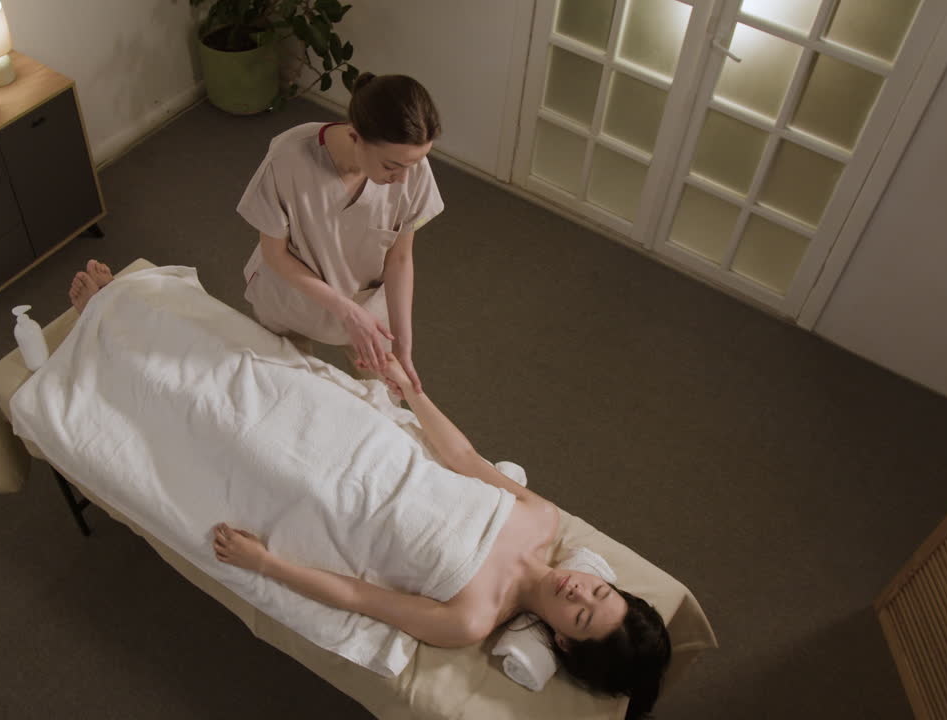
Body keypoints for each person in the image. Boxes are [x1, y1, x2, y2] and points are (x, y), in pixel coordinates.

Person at [213, 355, 672, 719]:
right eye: (598, 590)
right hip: (369, 443)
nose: (577, 590)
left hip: (324, 493)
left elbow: (359, 596)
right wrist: (409, 387)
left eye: (582, 616)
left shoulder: (470, 621)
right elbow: (463, 456)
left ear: (566, 643)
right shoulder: (542, 518)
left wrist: (266, 564)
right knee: (246, 372)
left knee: (217, 416)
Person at [236, 73, 444, 393]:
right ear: (355, 135)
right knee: (282, 394)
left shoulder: (411, 169)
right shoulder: (289, 158)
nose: (403, 179)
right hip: (292, 300)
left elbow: (400, 259)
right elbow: (273, 254)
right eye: (391, 166)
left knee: (384, 401)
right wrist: (346, 311)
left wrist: (402, 348)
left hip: (367, 308)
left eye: (413, 164)